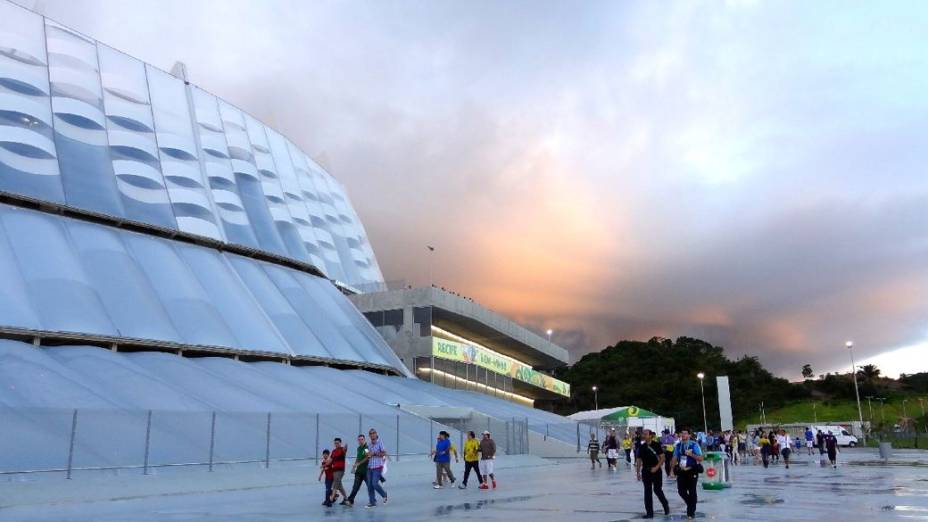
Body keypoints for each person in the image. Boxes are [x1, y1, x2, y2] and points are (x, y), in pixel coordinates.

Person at [636, 429, 670, 519]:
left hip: (656, 470)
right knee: (647, 492)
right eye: (643, 434)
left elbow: (662, 458)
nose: (644, 435)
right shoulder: (641, 446)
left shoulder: (656, 445)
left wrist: (656, 467)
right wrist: (638, 472)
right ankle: (649, 513)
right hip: (646, 471)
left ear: (650, 435)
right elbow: (639, 460)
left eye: (646, 434)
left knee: (657, 490)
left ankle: (665, 505)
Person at [671, 429, 703, 520]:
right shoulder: (678, 445)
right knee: (681, 491)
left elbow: (701, 458)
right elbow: (674, 458)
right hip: (682, 470)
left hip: (692, 470)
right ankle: (691, 504)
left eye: (685, 433)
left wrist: (691, 454)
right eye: (682, 433)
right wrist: (671, 470)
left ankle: (691, 512)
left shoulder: (694, 445)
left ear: (689, 435)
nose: (683, 435)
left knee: (692, 491)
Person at [365, 428, 388, 508]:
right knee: (369, 485)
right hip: (370, 467)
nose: (372, 435)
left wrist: (375, 453)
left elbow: (384, 453)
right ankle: (372, 502)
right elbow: (368, 455)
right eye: (370, 434)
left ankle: (384, 494)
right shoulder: (369, 444)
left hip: (378, 466)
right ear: (369, 435)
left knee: (374, 483)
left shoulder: (380, 443)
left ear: (376, 434)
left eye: (373, 433)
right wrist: (368, 454)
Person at [345, 434, 368, 506]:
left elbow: (367, 458)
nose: (360, 441)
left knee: (370, 486)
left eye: (362, 439)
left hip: (366, 472)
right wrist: (354, 467)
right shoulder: (358, 448)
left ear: (364, 440)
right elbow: (358, 458)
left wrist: (359, 463)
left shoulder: (366, 448)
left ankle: (377, 498)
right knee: (355, 487)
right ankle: (350, 500)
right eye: (359, 440)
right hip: (358, 472)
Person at [330, 438, 348, 504]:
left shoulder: (342, 449)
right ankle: (346, 499)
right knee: (339, 486)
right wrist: (325, 465)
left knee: (335, 484)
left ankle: (331, 499)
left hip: (340, 471)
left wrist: (346, 447)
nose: (336, 444)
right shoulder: (333, 451)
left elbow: (345, 450)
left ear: (340, 443)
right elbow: (331, 460)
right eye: (335, 443)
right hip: (334, 470)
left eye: (338, 443)